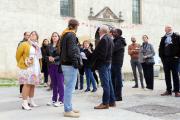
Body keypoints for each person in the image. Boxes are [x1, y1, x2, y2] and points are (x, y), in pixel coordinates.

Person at [60, 19, 82, 118]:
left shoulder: (65, 34)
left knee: (68, 87)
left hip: (65, 63)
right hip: (70, 64)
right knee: (69, 88)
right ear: (76, 26)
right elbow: (72, 51)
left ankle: (69, 107)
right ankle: (68, 110)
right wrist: (76, 64)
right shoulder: (71, 35)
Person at [91, 25, 116, 109]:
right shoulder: (110, 38)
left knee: (105, 84)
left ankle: (105, 103)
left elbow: (102, 55)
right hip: (108, 63)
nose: (98, 32)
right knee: (109, 83)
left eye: (98, 30)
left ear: (101, 31)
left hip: (103, 65)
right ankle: (112, 101)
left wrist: (97, 65)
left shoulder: (104, 39)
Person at [16, 31, 42, 110]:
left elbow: (39, 57)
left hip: (36, 66)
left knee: (32, 84)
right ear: (29, 36)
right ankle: (24, 103)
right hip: (27, 66)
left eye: (35, 34)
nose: (33, 35)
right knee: (26, 84)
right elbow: (18, 55)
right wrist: (23, 63)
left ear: (37, 37)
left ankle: (31, 101)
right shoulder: (24, 44)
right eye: (32, 34)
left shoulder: (37, 45)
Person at [159, 25, 180, 97]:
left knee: (175, 75)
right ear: (165, 30)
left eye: (170, 28)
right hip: (166, 59)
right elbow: (160, 49)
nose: (170, 29)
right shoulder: (163, 38)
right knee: (167, 75)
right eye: (168, 28)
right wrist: (162, 58)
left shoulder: (177, 36)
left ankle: (177, 91)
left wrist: (178, 56)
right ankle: (168, 90)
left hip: (174, 59)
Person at [47, 32, 64, 107]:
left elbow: (62, 56)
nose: (54, 37)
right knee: (54, 84)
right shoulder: (49, 46)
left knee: (60, 83)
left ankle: (61, 100)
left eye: (56, 36)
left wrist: (54, 58)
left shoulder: (61, 45)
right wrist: (48, 58)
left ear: (58, 37)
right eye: (53, 36)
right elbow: (46, 55)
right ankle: (54, 99)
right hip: (51, 66)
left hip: (59, 66)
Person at [111, 28, 126, 101]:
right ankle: (114, 94)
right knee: (113, 78)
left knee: (117, 79)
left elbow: (113, 48)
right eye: (113, 32)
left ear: (119, 33)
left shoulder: (120, 41)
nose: (113, 33)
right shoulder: (115, 40)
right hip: (113, 62)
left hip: (117, 62)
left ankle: (118, 96)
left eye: (115, 32)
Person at [17, 32, 30, 98]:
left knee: (27, 79)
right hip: (22, 63)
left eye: (29, 35)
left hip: (29, 64)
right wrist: (20, 62)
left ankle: (26, 92)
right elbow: (18, 54)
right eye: (27, 35)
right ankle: (21, 92)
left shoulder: (30, 43)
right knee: (22, 78)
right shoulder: (21, 43)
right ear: (24, 35)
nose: (28, 36)